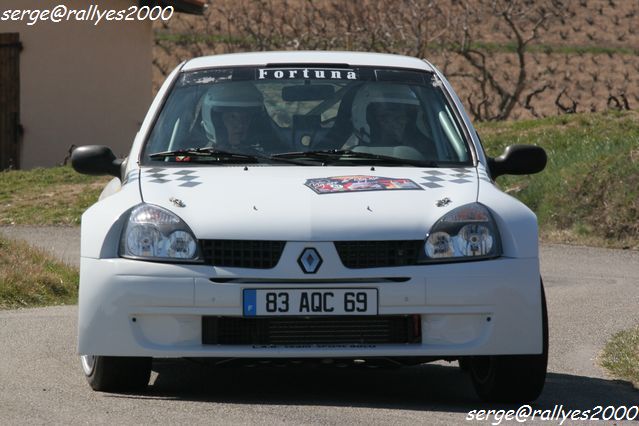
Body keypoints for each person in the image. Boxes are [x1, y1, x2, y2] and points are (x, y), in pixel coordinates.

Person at [344, 83, 437, 160]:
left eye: (400, 117)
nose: (394, 124)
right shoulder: (340, 160)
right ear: (364, 118)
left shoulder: (434, 154)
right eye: (385, 117)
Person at [200, 82, 284, 153]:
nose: (240, 124)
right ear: (216, 121)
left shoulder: (271, 157)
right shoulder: (196, 158)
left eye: (246, 117)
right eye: (232, 117)